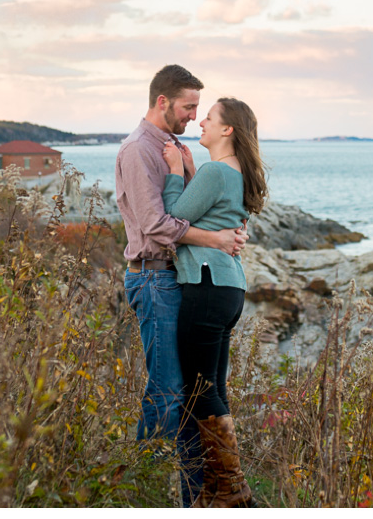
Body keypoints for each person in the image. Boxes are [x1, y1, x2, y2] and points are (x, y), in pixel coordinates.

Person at [115, 65, 249, 507]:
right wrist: (215, 239)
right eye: (189, 107)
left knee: (190, 393)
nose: (194, 117)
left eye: (199, 109)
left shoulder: (175, 149)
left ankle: (196, 498)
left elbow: (194, 210)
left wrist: (227, 229)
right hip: (152, 276)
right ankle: (142, 494)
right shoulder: (138, 150)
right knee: (170, 392)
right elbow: (157, 225)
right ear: (162, 102)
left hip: (178, 278)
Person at [161, 97, 267, 508]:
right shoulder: (237, 174)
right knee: (213, 389)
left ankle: (233, 494)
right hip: (229, 290)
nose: (201, 120)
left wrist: (174, 171)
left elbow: (171, 220)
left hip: (205, 287)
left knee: (200, 392)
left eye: (210, 117)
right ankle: (220, 491)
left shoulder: (216, 171)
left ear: (228, 130)